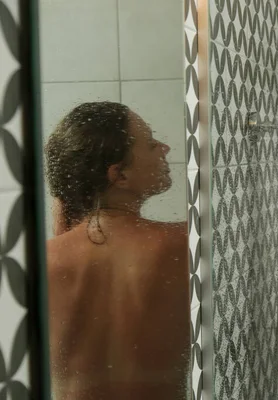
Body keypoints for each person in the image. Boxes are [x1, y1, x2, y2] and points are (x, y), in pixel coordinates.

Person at [45, 102, 190, 399]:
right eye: (150, 144)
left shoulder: (40, 260)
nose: (164, 148)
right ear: (119, 175)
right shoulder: (185, 244)